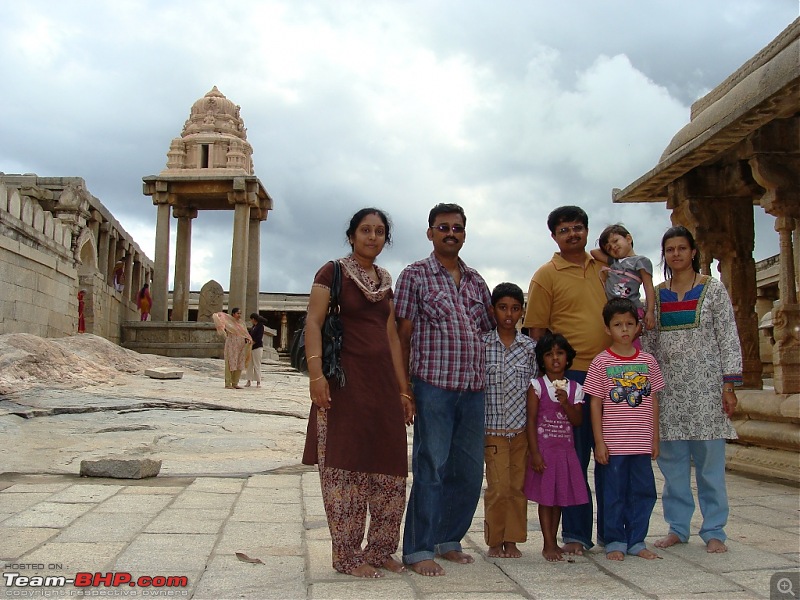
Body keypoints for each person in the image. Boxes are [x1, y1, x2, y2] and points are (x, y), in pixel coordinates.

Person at [301, 208, 414, 578]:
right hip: (344, 383)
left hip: (382, 385)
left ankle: (380, 549)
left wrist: (403, 390)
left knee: (390, 466)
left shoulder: (385, 279)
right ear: (352, 235)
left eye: (380, 231)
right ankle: (348, 556)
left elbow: (392, 338)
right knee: (345, 467)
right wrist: (317, 376)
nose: (372, 236)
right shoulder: (331, 272)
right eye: (365, 230)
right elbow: (313, 323)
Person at [395, 202, 494, 576]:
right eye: (442, 227)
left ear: (464, 233)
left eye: (456, 227)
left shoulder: (475, 281)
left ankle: (448, 539)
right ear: (430, 232)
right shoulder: (415, 275)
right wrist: (405, 388)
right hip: (433, 385)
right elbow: (402, 335)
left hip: (472, 388)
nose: (450, 232)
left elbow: (484, 329)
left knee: (468, 471)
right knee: (431, 466)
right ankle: (419, 548)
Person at [642, 226, 741, 554]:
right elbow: (650, 342)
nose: (676, 254)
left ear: (693, 251)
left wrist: (729, 384)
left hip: (708, 391)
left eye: (681, 248)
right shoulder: (656, 295)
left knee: (711, 466)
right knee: (672, 468)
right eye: (669, 249)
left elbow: (727, 334)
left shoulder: (712, 290)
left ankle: (714, 529)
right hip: (669, 395)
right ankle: (678, 527)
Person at [522, 205, 609, 555]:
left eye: (578, 227)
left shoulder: (605, 268)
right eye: (564, 229)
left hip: (608, 373)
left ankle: (613, 533)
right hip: (569, 378)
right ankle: (575, 534)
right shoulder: (546, 275)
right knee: (575, 458)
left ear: (587, 231)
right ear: (554, 236)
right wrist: (545, 379)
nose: (572, 234)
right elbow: (538, 332)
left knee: (609, 454)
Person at [585, 298, 664, 561]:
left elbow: (653, 400)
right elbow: (595, 404)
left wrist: (655, 437)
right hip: (614, 443)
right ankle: (615, 540)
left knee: (643, 492)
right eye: (618, 324)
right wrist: (599, 442)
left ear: (638, 326)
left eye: (630, 324)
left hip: (641, 443)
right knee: (614, 493)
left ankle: (636, 539)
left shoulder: (648, 362)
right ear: (607, 329)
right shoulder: (600, 362)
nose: (624, 329)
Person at [482, 282, 537, 559]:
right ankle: (494, 540)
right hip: (492, 431)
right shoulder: (482, 344)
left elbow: (535, 391)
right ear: (493, 310)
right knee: (498, 488)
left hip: (520, 432)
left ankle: (513, 540)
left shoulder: (529, 349)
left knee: (517, 488)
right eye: (503, 307)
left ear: (522, 312)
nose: (509, 314)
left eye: (515, 309)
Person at [524, 333, 588, 562]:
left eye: (559, 353)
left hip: (564, 453)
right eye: (549, 355)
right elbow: (531, 420)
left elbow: (578, 421)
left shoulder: (575, 388)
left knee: (559, 498)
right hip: (545, 451)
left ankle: (554, 538)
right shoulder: (537, 386)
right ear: (542, 360)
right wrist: (534, 453)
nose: (555, 359)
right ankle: (547, 543)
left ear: (567, 357)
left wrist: (565, 402)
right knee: (545, 500)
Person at [590, 224, 656, 338]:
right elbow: (593, 252)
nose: (613, 247)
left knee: (633, 342)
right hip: (614, 311)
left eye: (615, 241)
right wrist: (608, 249)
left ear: (628, 239)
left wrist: (650, 311)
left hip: (632, 309)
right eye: (609, 248)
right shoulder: (614, 262)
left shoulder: (640, 261)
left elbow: (648, 286)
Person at [213, 308, 252, 389]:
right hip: (231, 345)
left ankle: (235, 382)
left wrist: (248, 338)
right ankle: (228, 383)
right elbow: (218, 317)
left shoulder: (242, 323)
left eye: (240, 313)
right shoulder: (228, 322)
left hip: (240, 346)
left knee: (239, 363)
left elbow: (245, 333)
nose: (239, 315)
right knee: (230, 363)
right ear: (233, 314)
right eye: (238, 313)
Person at [244, 313, 267, 388]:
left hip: (257, 347)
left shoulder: (260, 326)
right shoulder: (253, 327)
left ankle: (258, 381)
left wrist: (253, 342)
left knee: (257, 364)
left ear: (253, 319)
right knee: (249, 365)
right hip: (251, 347)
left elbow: (259, 337)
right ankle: (248, 380)